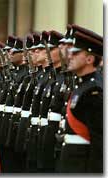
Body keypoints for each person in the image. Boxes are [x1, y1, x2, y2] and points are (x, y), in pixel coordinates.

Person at [59, 29, 103, 173]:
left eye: (76, 53)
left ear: (90, 59)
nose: (69, 56)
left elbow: (99, 142)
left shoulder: (94, 90)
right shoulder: (82, 85)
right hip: (72, 162)